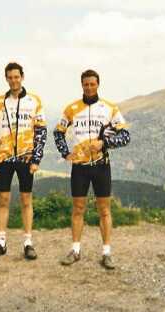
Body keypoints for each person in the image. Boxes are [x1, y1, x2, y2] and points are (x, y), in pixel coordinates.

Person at [54, 69, 130, 270]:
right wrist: (65, 153)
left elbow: (125, 136)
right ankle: (75, 250)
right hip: (79, 167)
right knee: (78, 209)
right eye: (85, 84)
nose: (89, 87)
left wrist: (104, 143)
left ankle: (106, 253)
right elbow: (58, 132)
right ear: (82, 85)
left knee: (104, 210)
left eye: (92, 84)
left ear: (98, 84)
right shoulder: (71, 108)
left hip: (101, 166)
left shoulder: (109, 108)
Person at [0, 62, 46, 260]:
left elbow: (41, 131)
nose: (13, 80)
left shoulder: (34, 100)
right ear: (6, 78)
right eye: (10, 77)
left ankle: (28, 242)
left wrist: (36, 158)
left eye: (16, 77)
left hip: (26, 157)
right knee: (3, 199)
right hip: (4, 157)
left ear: (22, 77)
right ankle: (1, 241)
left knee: (26, 200)